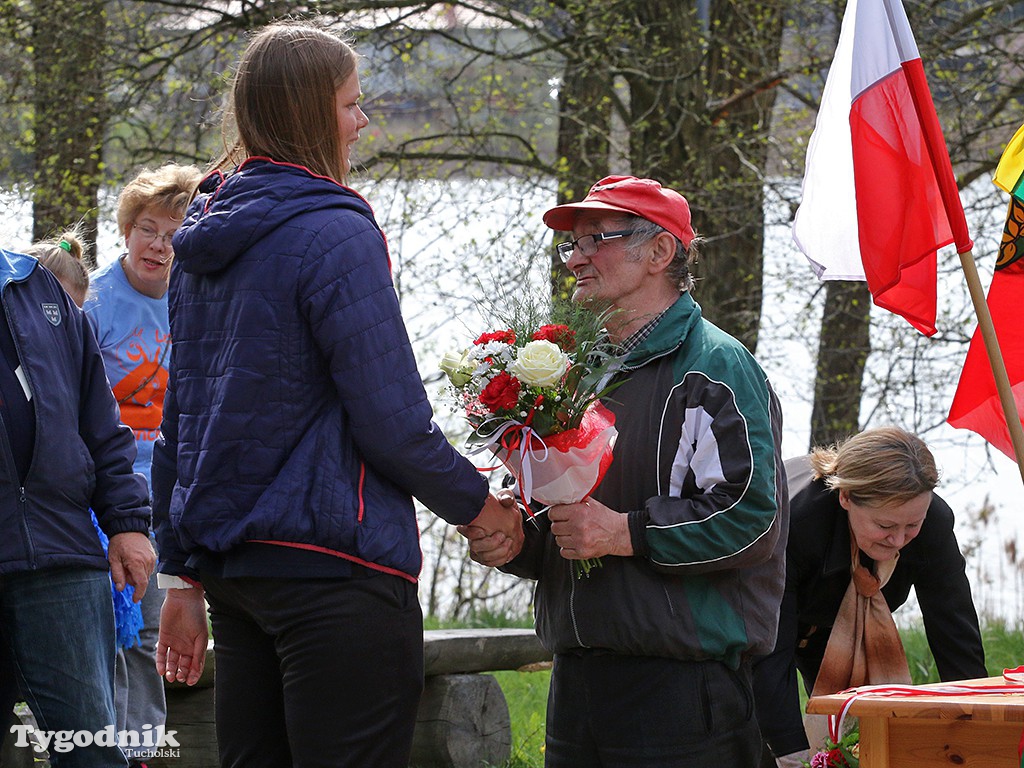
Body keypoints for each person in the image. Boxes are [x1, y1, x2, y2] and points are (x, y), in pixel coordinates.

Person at [150, 21, 521, 768]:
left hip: (237, 572)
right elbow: (390, 420)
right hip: (333, 568)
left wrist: (181, 576)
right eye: (351, 104)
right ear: (308, 113)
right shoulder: (335, 230)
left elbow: (179, 423)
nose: (362, 122)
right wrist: (484, 510)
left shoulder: (204, 235)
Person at [463, 175, 789, 767]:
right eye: (572, 244)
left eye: (597, 239)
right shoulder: (569, 371)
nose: (576, 257)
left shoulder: (716, 366)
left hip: (680, 690)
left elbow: (751, 518)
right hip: (576, 681)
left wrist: (625, 533)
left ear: (661, 252)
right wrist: (515, 537)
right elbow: (569, 524)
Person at [0, 240, 155, 767]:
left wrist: (128, 523)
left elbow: (100, 422)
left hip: (63, 557)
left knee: (92, 753)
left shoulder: (39, 287)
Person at [752, 427, 987, 767]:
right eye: (885, 526)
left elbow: (954, 629)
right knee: (761, 743)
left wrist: (978, 722)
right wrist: (791, 752)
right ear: (845, 497)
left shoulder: (933, 522)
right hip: (762, 618)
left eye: (911, 526)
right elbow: (770, 649)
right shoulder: (796, 523)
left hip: (849, 630)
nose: (898, 541)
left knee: (863, 744)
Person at [83, 163, 200, 768]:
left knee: (151, 633)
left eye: (173, 234)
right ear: (127, 230)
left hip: (168, 498)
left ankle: (141, 754)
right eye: (147, 229)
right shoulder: (96, 302)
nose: (158, 245)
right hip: (103, 500)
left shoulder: (193, 304)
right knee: (107, 632)